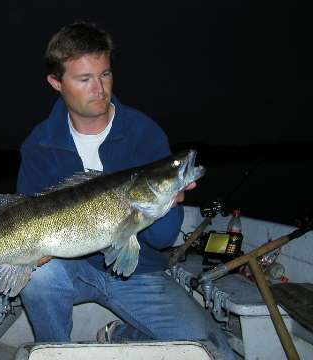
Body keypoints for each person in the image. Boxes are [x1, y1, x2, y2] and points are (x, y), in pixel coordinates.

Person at [16, 22, 234, 359]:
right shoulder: (40, 145)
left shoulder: (143, 133)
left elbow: (161, 240)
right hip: (68, 268)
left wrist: (167, 202)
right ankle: (55, 351)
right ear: (56, 82)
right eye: (84, 79)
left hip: (140, 270)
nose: (99, 89)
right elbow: (21, 218)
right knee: (39, 275)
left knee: (213, 351)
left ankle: (121, 335)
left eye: (105, 75)